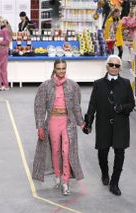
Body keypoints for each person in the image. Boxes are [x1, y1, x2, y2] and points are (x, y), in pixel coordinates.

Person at [83, 55, 135, 196]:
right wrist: (88, 123)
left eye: (117, 66)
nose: (113, 68)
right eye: (111, 65)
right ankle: (105, 174)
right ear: (106, 66)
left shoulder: (126, 83)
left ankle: (114, 183)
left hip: (120, 125)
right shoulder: (98, 84)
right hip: (103, 124)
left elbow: (131, 104)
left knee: (120, 154)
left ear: (120, 68)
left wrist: (122, 108)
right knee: (102, 152)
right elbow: (92, 104)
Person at [32, 59, 85, 196]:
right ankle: (57, 175)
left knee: (66, 152)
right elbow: (39, 107)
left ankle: (65, 181)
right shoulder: (46, 86)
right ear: (54, 69)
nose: (61, 71)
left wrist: (81, 122)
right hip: (53, 122)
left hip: (68, 122)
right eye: (59, 69)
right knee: (55, 151)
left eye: (63, 69)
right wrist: (40, 127)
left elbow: (76, 107)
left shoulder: (73, 86)